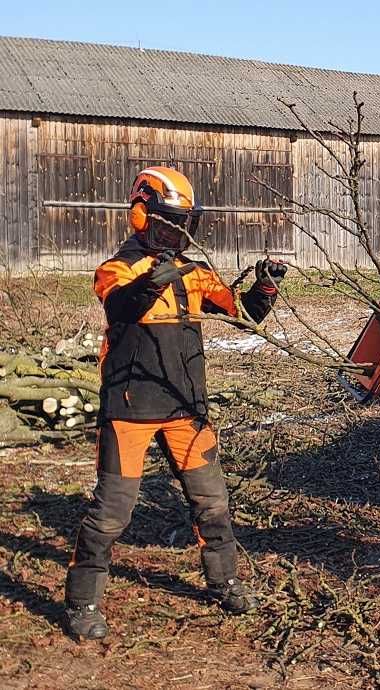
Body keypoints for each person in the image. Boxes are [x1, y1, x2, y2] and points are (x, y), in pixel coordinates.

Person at [64, 166, 288, 640]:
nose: (178, 232)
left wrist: (265, 287)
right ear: (141, 216)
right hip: (130, 409)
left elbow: (242, 313)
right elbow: (120, 306)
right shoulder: (118, 268)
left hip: (186, 408)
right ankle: (83, 602)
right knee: (112, 512)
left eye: (184, 223)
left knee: (213, 501)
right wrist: (151, 282)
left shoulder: (195, 273)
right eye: (169, 221)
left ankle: (224, 580)